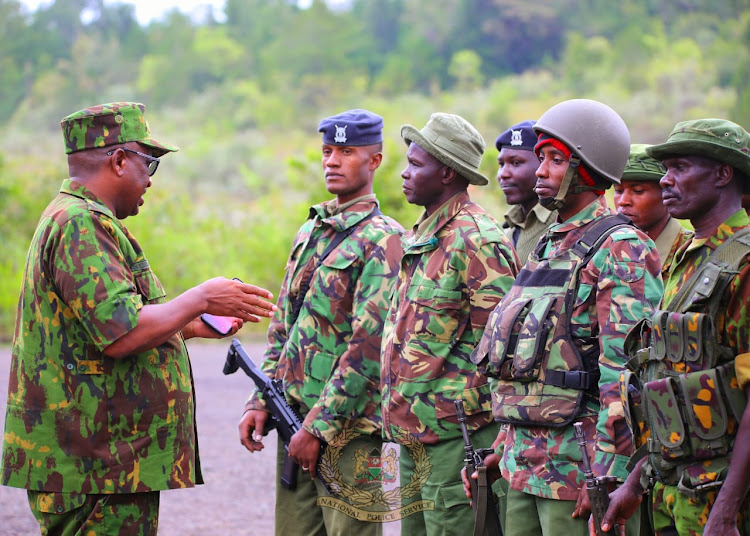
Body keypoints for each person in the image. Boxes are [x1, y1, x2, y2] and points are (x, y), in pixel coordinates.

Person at [0, 102, 277, 535]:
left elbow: (103, 322)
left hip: (100, 462)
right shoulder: (80, 224)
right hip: (95, 466)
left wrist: (185, 326)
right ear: (118, 161)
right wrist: (200, 297)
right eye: (149, 164)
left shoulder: (80, 219)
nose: (149, 179)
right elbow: (120, 335)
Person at [469, 99, 663, 536]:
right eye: (541, 158)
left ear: (589, 170)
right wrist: (504, 444)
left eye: (556, 160)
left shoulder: (621, 248)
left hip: (580, 470)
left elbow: (628, 373)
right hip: (523, 464)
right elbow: (525, 360)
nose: (541, 170)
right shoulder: (547, 247)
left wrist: (611, 471)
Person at [238, 109, 404, 536]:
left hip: (350, 432)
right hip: (293, 417)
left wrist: (318, 426)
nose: (331, 161)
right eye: (328, 151)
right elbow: (283, 324)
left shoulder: (385, 239)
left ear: (375, 161)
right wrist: (261, 399)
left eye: (346, 152)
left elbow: (368, 349)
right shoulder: (311, 229)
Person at [598, 118, 750, 536]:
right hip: (673, 489)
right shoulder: (687, 252)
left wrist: (725, 512)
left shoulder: (743, 262)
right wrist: (636, 480)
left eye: (679, 167)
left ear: (722, 174)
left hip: (719, 498)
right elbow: (667, 377)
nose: (665, 181)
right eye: (665, 170)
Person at [380, 112, 520, 536]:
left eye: (416, 164)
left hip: (457, 441)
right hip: (414, 436)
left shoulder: (478, 240)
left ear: (445, 172)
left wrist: (490, 435)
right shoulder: (424, 236)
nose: (404, 173)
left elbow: (503, 351)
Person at [614, 144, 692, 277]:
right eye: (618, 191)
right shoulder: (607, 247)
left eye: (638, 191)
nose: (623, 201)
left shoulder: (690, 252)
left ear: (666, 192)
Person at [496, 120, 558, 264]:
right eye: (501, 164)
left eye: (516, 163)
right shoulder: (507, 229)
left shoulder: (561, 223)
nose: (503, 174)